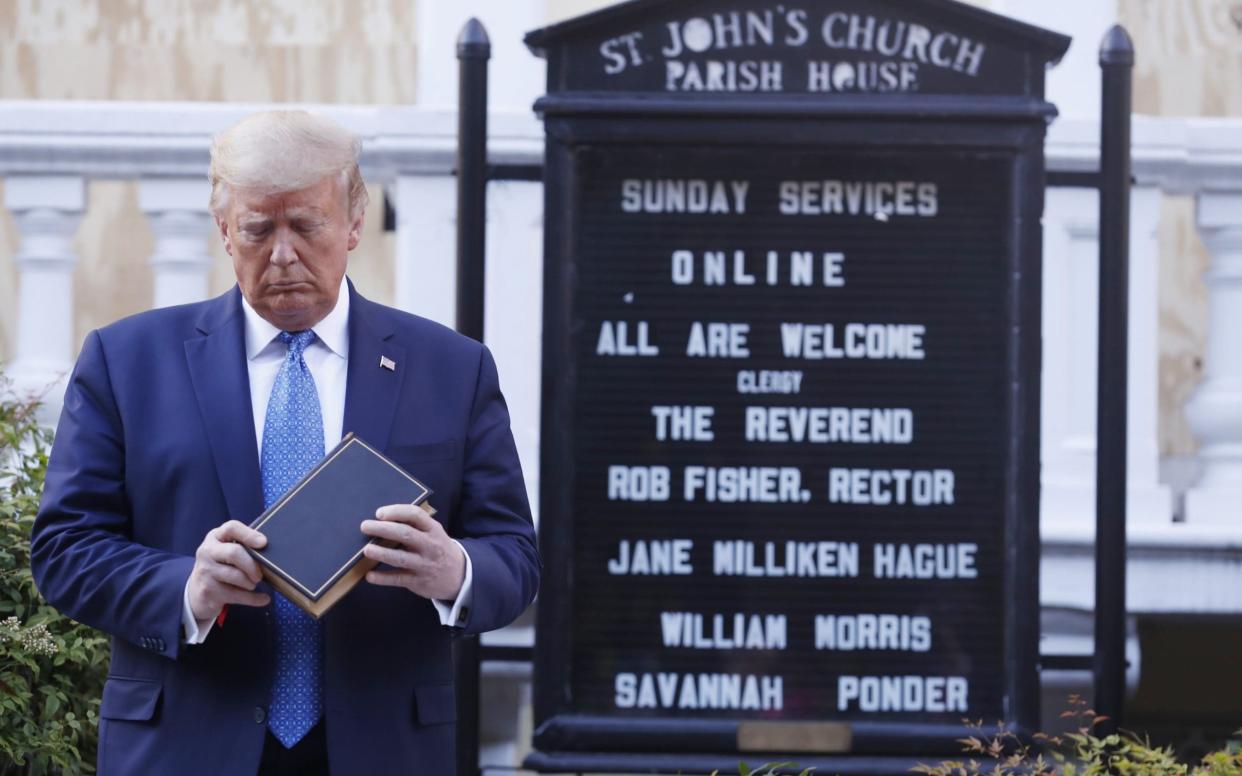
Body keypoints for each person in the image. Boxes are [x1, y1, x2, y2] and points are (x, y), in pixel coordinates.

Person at [30, 110, 540, 775]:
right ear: (222, 229)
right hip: (185, 743)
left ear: (355, 222)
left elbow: (516, 557)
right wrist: (187, 585)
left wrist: (455, 572)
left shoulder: (449, 368)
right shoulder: (127, 362)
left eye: (306, 225)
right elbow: (65, 549)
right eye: (257, 229)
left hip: (383, 748)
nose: (282, 254)